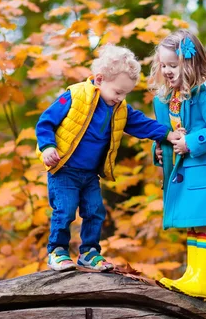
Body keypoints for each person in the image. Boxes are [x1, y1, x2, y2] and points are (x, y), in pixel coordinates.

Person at [36, 44, 181, 272]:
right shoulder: (74, 96)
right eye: (117, 92)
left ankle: (90, 252)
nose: (120, 98)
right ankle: (57, 251)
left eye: (125, 94)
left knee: (95, 211)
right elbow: (46, 122)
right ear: (100, 79)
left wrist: (167, 134)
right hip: (64, 169)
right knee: (65, 210)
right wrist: (47, 147)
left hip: (90, 174)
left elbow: (142, 124)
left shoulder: (119, 108)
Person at [150, 29, 206, 299]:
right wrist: (160, 149)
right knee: (195, 222)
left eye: (173, 65)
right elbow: (168, 131)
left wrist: (192, 143)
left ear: (190, 63)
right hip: (188, 172)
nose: (166, 70)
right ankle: (193, 275)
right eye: (163, 65)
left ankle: (203, 280)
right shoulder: (169, 96)